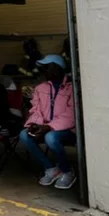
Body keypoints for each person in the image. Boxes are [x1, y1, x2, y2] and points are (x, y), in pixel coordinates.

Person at [19, 54, 76, 190]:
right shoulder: (40, 88)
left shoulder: (71, 88)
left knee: (50, 137)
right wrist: (34, 124)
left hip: (67, 130)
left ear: (57, 69)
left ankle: (67, 171)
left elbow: (71, 115)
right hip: (44, 127)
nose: (44, 71)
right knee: (24, 134)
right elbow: (35, 110)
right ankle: (51, 168)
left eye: (47, 67)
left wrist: (49, 127)